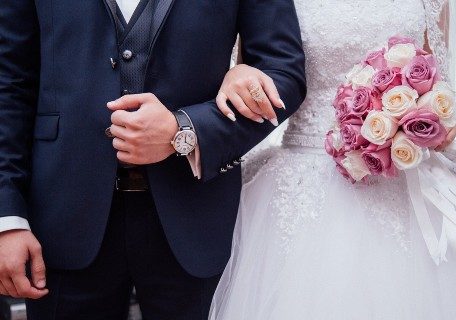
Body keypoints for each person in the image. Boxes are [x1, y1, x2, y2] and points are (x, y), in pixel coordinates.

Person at [0, 1, 306, 319]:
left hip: (196, 216)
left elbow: (283, 74)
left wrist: (186, 130)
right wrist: (6, 217)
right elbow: (9, 83)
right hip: (61, 213)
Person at [209, 0, 456, 319]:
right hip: (305, 180)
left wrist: (429, 119)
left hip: (407, 170)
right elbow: (255, 74)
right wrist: (238, 72)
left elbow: (434, 69)